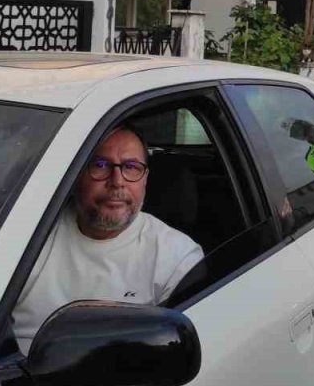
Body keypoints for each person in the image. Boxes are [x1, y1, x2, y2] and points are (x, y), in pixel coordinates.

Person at [12, 127, 203, 353]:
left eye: (131, 167)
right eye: (100, 165)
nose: (117, 181)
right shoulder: (26, 237)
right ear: (76, 175)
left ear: (145, 179)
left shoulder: (177, 258)